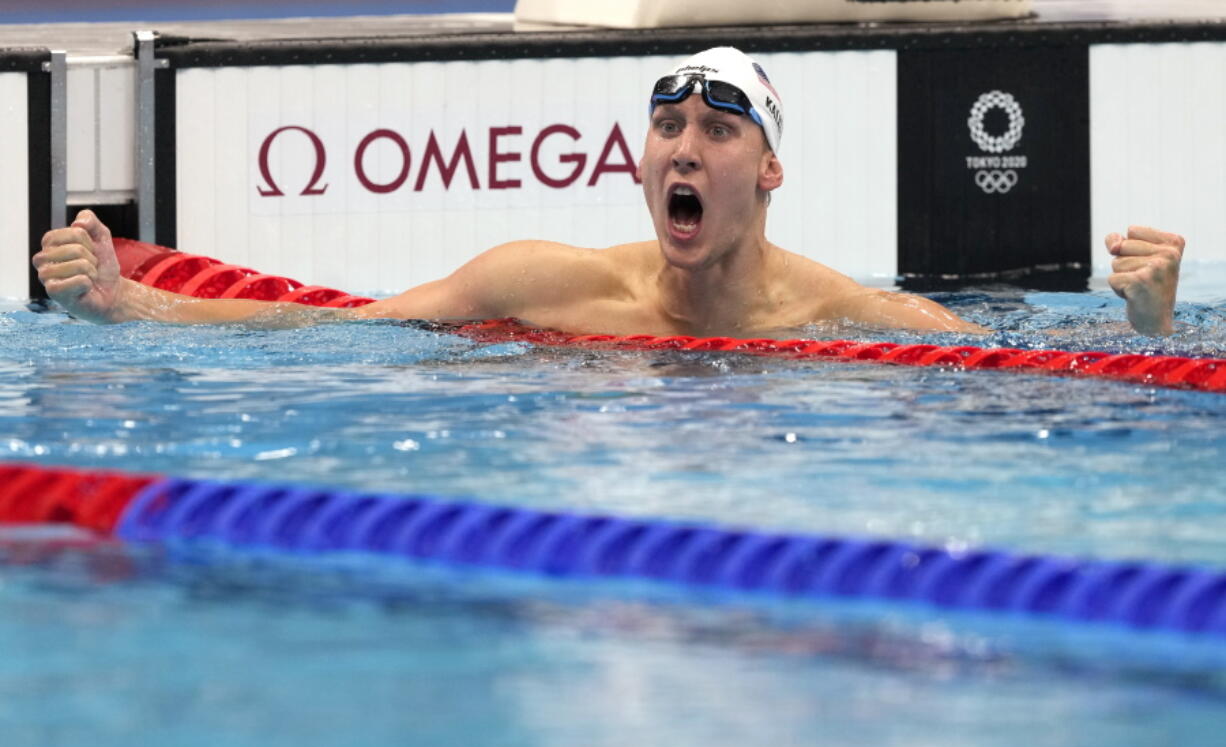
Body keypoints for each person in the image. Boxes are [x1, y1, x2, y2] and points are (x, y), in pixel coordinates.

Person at [32, 47, 1185, 338]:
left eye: (717, 131)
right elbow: (330, 331)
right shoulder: (546, 285)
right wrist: (131, 306)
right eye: (667, 125)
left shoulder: (855, 318)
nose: (683, 149)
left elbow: (1043, 388)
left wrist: (1150, 325)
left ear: (769, 170)